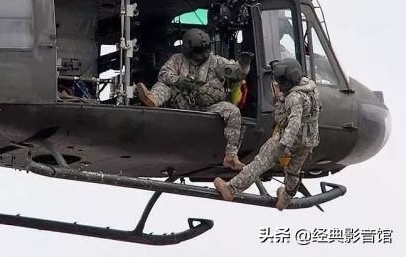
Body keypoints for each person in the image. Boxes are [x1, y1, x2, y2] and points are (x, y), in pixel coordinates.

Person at [136, 29, 253, 171]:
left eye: (205, 50)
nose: (202, 54)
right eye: (198, 51)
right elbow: (163, 74)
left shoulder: (215, 61)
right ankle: (154, 99)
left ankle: (231, 156)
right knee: (165, 85)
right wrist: (178, 80)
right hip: (182, 103)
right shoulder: (177, 60)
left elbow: (236, 72)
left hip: (209, 106)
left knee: (233, 111)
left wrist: (244, 64)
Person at [213, 58, 321, 210]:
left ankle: (231, 189)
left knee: (260, 163)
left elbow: (290, 122)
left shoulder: (294, 97)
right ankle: (285, 199)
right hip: (309, 140)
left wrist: (278, 100)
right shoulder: (311, 89)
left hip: (289, 138)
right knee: (293, 171)